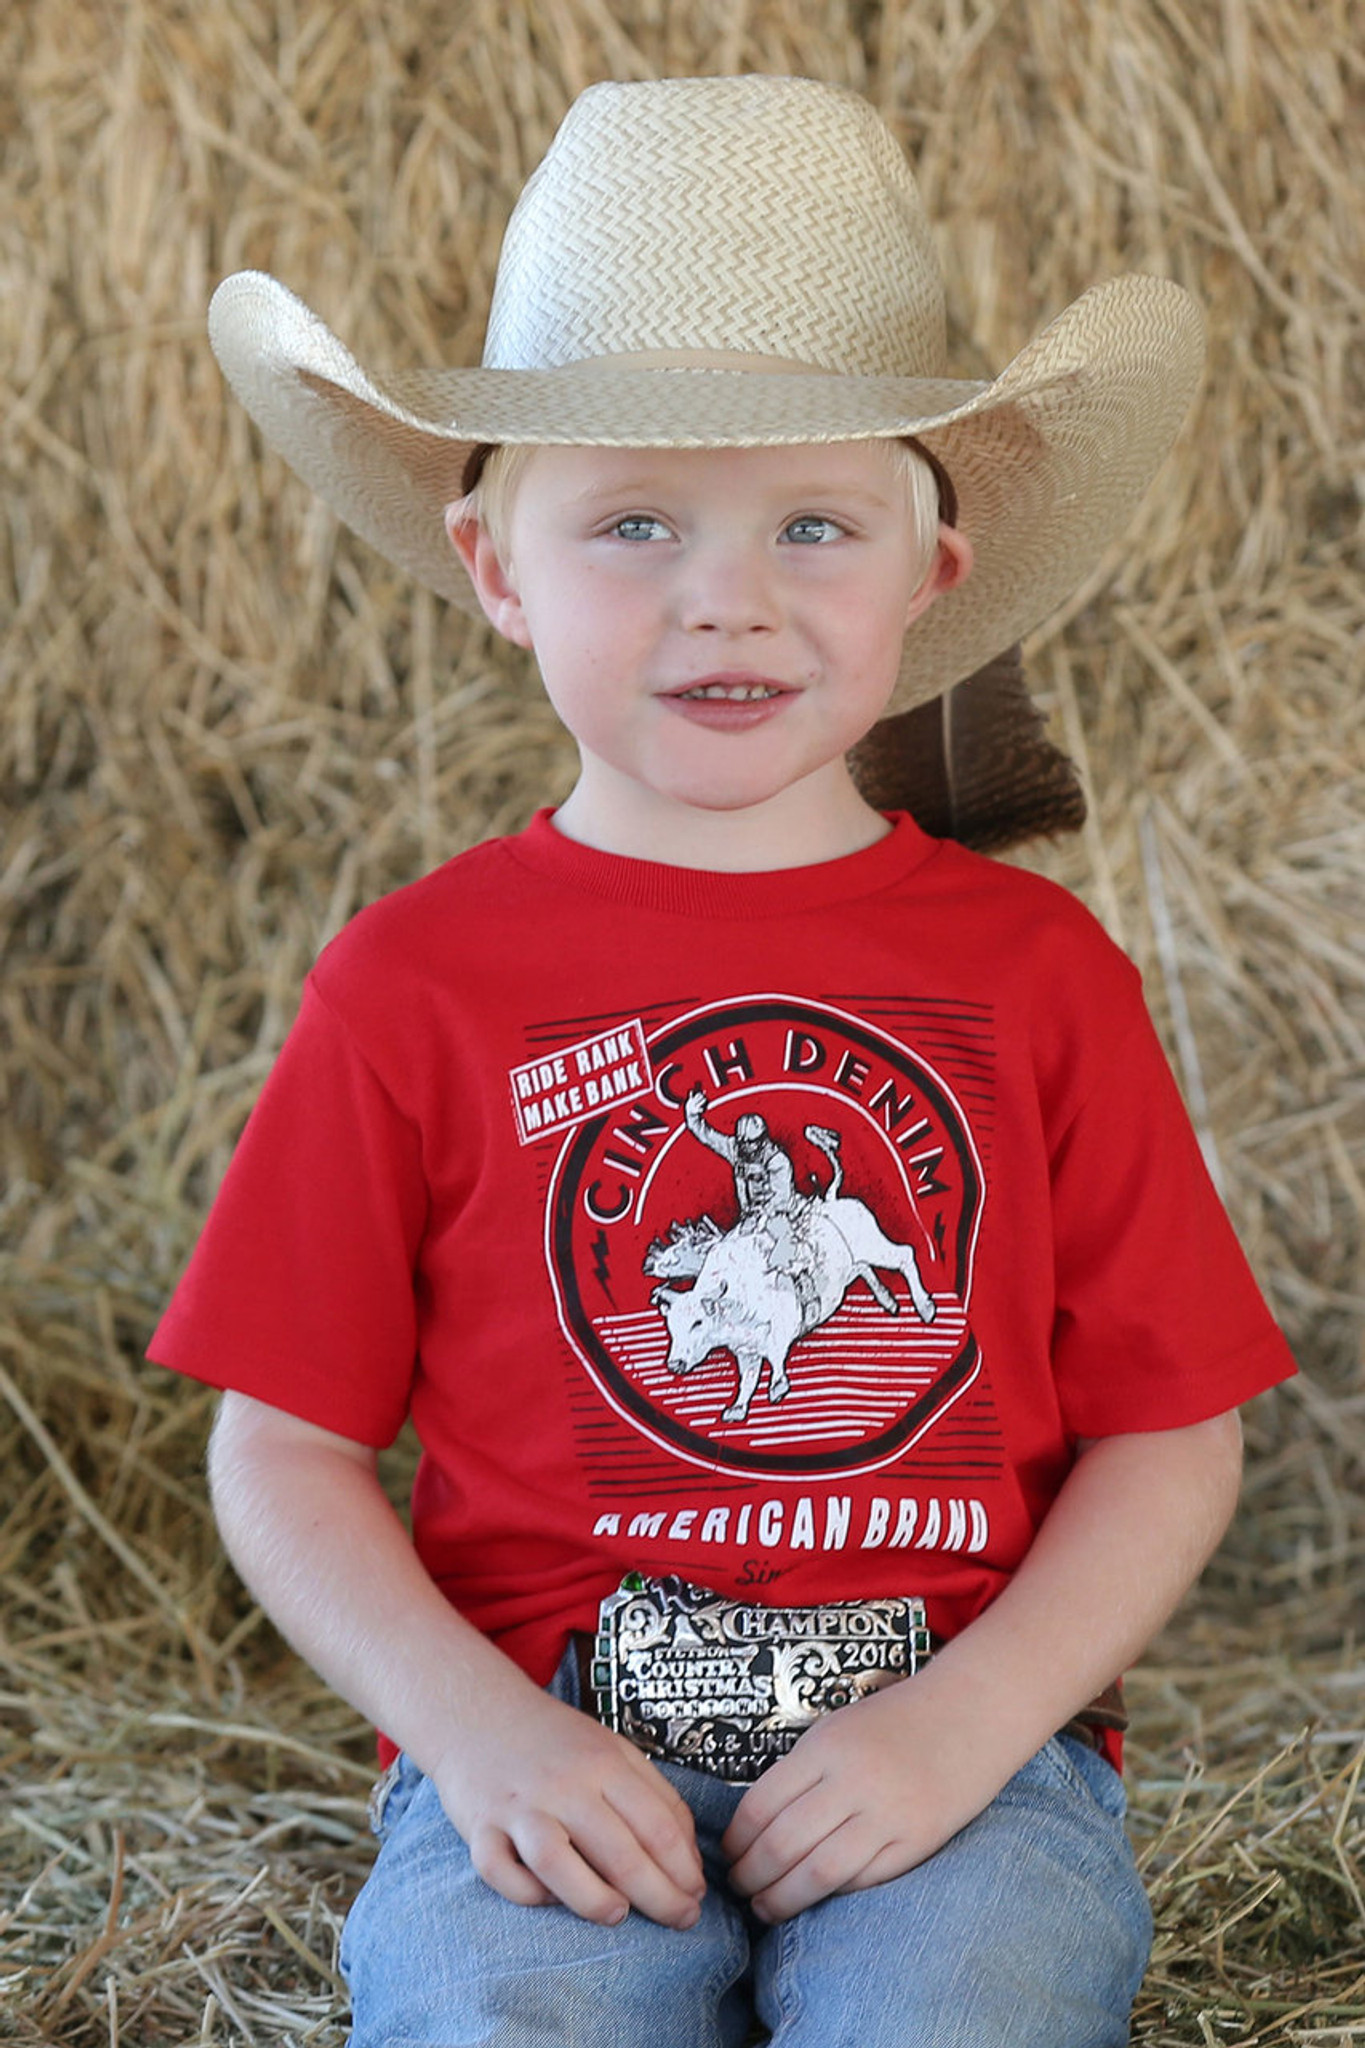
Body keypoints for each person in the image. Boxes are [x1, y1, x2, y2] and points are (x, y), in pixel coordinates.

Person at [152, 75, 1296, 2047]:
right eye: (631, 524)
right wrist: (480, 1742)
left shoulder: (1037, 973)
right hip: (545, 1752)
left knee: (963, 2008)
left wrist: (969, 1723)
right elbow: (279, 1448)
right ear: (495, 570)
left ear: (928, 574)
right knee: (500, 2012)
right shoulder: (408, 983)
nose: (727, 593)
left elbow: (1171, 1430)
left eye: (813, 523)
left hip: (954, 1759)